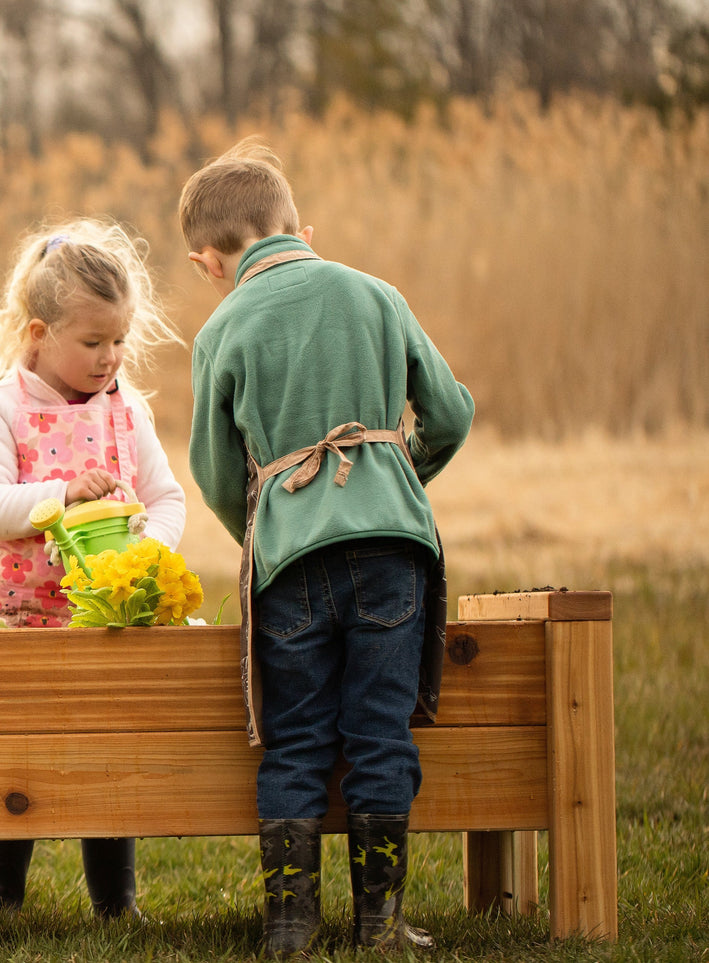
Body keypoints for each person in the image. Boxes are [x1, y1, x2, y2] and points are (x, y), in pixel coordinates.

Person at [179, 138, 474, 956]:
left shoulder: (222, 327)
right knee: (381, 729)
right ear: (298, 225)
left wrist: (268, 530)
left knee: (298, 735)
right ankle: (378, 924)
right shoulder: (377, 294)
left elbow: (211, 470)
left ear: (209, 262)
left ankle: (289, 926)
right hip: (390, 551)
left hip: (290, 564)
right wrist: (395, 476)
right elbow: (448, 413)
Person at [0, 216, 188, 919]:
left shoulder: (127, 413)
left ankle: (114, 898)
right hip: (17, 615)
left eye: (118, 340)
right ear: (36, 332)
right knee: (16, 750)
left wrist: (151, 549)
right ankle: (2, 888)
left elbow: (166, 497)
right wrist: (57, 495)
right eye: (91, 342)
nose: (109, 357)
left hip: (102, 619)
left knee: (106, 748)